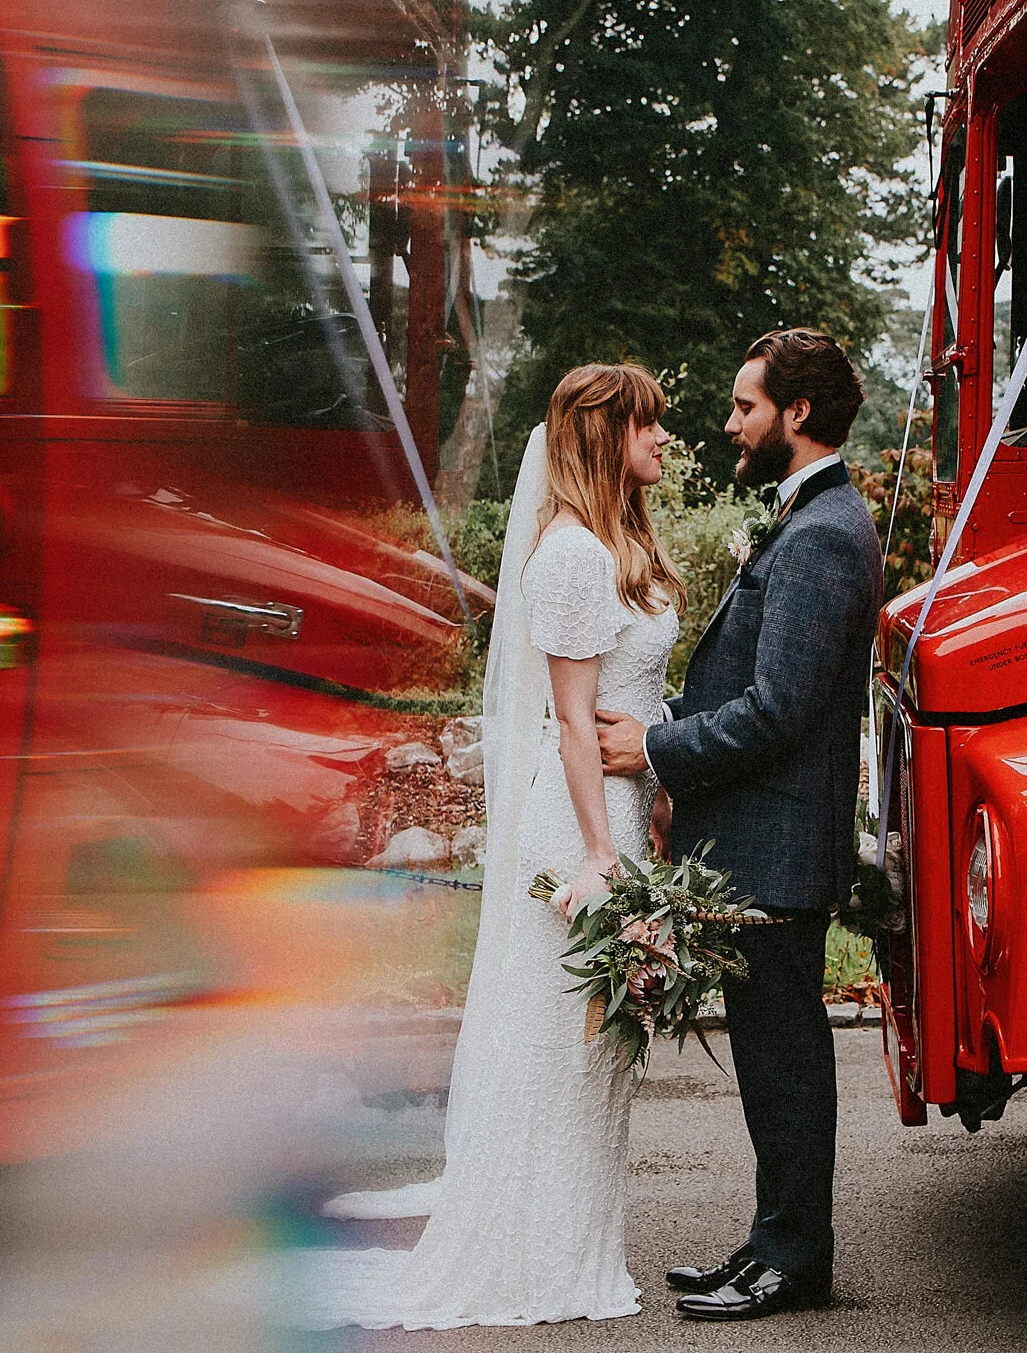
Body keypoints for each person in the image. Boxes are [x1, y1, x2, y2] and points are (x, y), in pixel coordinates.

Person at [311, 362, 681, 1328]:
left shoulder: (612, 546)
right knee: (563, 1041)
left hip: (624, 816)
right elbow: (569, 723)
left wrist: (657, 801)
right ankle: (538, 1256)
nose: (661, 440)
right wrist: (602, 858)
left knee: (600, 1046)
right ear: (607, 436)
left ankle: (578, 1244)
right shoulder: (568, 559)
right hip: (582, 826)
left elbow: (624, 700)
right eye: (647, 425)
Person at [596, 327, 884, 1321]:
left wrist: (656, 749)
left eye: (744, 406)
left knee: (787, 1062)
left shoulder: (822, 532)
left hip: (776, 850)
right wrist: (671, 722)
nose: (728, 423)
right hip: (759, 845)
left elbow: (781, 708)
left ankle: (793, 1261)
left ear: (796, 414)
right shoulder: (809, 519)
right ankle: (770, 1244)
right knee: (771, 1062)